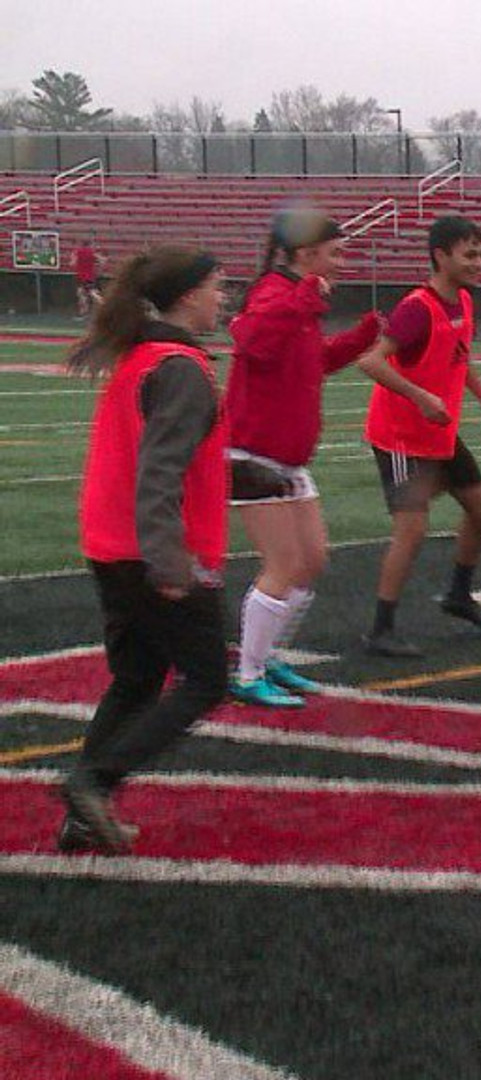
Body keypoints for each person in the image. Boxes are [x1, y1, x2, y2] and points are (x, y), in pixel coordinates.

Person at [60, 245, 228, 853]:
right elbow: (159, 471)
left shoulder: (142, 357)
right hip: (153, 549)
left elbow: (165, 456)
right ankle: (94, 781)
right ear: (186, 296)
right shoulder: (182, 366)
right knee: (207, 679)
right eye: (217, 287)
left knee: (136, 680)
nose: (222, 298)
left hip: (111, 543)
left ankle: (83, 812)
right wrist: (168, 557)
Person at [223, 208, 391, 706]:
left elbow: (309, 363)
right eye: (335, 252)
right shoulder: (275, 294)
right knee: (284, 563)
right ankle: (250, 673)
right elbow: (254, 341)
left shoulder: (298, 301)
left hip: (288, 459)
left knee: (311, 561)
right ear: (305, 254)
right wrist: (301, 301)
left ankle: (268, 653)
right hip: (254, 455)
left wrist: (359, 339)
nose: (342, 262)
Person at [357, 215, 481, 657]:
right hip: (402, 436)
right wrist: (420, 396)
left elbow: (460, 355)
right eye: (470, 255)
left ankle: (458, 596)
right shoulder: (416, 308)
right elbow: (371, 361)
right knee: (413, 529)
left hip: (439, 433)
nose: (479, 263)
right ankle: (380, 629)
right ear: (441, 256)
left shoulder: (462, 300)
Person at [73, 238, 102, 319]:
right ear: (89, 245)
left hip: (81, 276)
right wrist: (98, 268)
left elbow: (73, 263)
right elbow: (100, 260)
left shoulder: (78, 252)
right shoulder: (92, 253)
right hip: (90, 277)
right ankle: (84, 313)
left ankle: (103, 306)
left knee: (83, 294)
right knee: (88, 294)